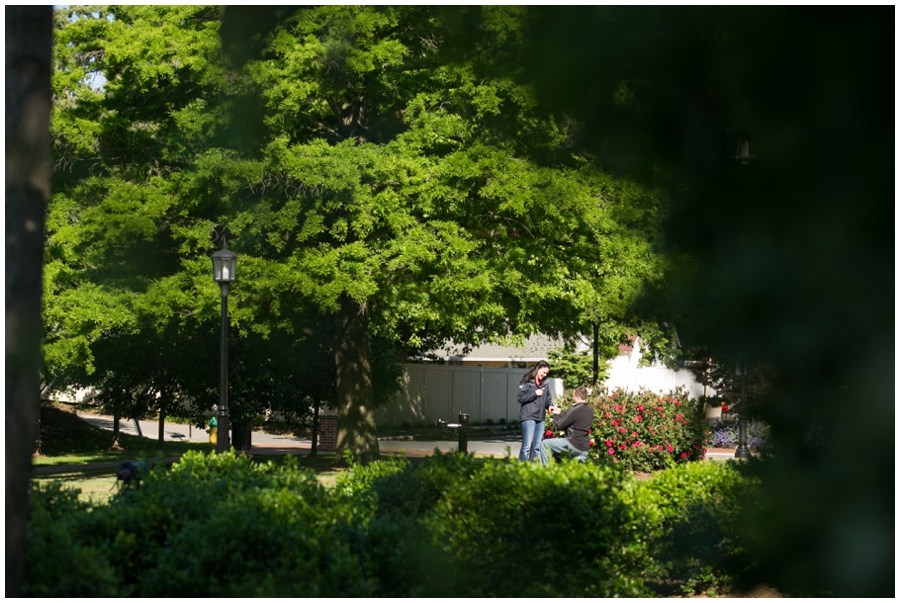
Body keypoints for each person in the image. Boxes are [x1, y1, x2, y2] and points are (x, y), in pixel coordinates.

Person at [540, 385, 594, 465]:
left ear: (577, 396)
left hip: (573, 443)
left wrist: (555, 415)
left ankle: (547, 473)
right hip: (584, 447)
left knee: (545, 444)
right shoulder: (590, 410)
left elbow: (560, 425)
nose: (572, 397)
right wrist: (561, 412)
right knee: (574, 474)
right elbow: (574, 419)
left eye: (573, 395)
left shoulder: (575, 409)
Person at [516, 359, 552, 462]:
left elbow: (548, 399)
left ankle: (533, 470)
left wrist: (550, 406)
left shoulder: (545, 384)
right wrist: (534, 394)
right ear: (538, 369)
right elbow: (520, 398)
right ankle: (522, 468)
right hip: (528, 417)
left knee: (536, 447)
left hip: (540, 419)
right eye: (544, 372)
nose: (545, 375)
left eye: (546, 373)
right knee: (526, 447)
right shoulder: (527, 381)